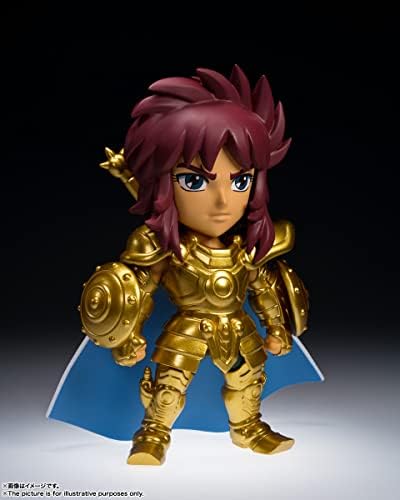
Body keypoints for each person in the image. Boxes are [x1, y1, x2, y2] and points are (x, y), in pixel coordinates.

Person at [62, 65, 315, 466]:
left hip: (237, 326)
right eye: (195, 181)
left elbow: (263, 287)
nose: (222, 202)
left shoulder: (245, 249)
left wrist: (276, 328)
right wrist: (127, 337)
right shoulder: (166, 248)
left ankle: (248, 427)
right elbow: (139, 292)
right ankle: (153, 433)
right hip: (188, 326)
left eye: (240, 181)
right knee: (169, 385)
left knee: (249, 380)